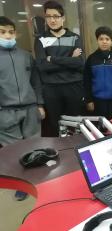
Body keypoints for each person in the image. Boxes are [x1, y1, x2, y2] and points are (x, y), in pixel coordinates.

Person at [0, 16, 45, 200]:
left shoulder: (25, 56)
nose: (8, 36)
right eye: (2, 32)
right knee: (15, 151)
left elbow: (36, 82)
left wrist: (39, 104)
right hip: (5, 112)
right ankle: (22, 186)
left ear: (16, 33)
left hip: (30, 109)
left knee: (34, 147)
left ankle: (37, 182)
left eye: (11, 32)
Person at [34, 0, 85, 136]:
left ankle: (75, 153)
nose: (52, 20)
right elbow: (43, 66)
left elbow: (79, 63)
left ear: (63, 18)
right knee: (56, 126)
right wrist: (70, 59)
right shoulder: (41, 39)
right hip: (51, 89)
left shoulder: (74, 38)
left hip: (73, 87)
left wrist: (53, 59)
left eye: (55, 16)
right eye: (48, 16)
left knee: (75, 125)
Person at [84, 26, 112, 120]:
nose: (104, 42)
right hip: (97, 102)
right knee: (100, 130)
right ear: (97, 40)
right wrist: (89, 100)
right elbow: (87, 81)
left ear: (111, 41)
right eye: (101, 39)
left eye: (107, 39)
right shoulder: (91, 59)